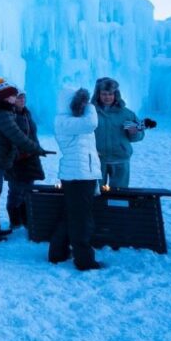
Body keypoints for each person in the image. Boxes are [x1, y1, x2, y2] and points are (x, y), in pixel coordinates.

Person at [0, 78, 47, 243]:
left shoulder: (3, 111)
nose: (16, 98)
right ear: (7, 97)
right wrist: (36, 149)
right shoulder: (2, 114)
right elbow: (17, 136)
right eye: (13, 96)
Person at [50, 87, 103, 271]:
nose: (83, 106)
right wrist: (90, 105)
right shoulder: (65, 121)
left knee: (70, 216)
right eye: (80, 103)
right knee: (82, 220)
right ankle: (84, 261)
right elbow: (92, 123)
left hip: (80, 173)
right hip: (79, 175)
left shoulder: (71, 121)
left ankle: (57, 253)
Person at [91, 77, 145, 188]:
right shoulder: (90, 114)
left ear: (116, 95)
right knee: (96, 194)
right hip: (97, 160)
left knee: (120, 196)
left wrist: (134, 132)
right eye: (104, 94)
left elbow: (139, 135)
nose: (107, 97)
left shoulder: (126, 114)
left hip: (120, 159)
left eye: (110, 94)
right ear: (98, 95)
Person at [5, 92, 45, 230]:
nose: (21, 100)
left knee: (28, 190)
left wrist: (36, 149)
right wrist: (17, 154)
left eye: (23, 97)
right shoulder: (9, 115)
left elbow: (31, 135)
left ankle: (26, 219)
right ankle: (15, 221)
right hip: (16, 160)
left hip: (30, 158)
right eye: (18, 97)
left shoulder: (26, 114)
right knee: (16, 191)